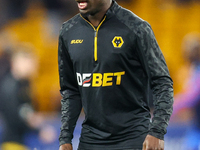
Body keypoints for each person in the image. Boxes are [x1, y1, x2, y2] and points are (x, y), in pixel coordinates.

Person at [58, 0, 174, 150]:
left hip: (133, 138)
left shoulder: (136, 28)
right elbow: (70, 91)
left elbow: (162, 83)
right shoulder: (68, 32)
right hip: (90, 140)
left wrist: (157, 131)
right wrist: (65, 138)